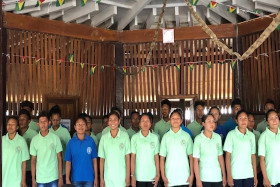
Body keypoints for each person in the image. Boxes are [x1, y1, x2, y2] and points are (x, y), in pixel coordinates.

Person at [160, 109, 194, 187]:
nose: (175, 120)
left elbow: (191, 157)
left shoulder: (186, 136)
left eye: (177, 118)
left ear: (181, 120)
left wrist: (192, 175)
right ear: (170, 121)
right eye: (173, 118)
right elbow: (162, 158)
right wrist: (163, 176)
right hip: (169, 178)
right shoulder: (165, 137)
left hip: (185, 178)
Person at [224, 110, 257, 187]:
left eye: (245, 118)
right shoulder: (231, 134)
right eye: (240, 118)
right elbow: (227, 157)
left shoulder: (251, 135)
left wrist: (255, 176)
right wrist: (229, 175)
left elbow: (253, 156)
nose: (243, 120)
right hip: (235, 175)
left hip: (249, 174)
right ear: (236, 121)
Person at [30, 111, 63, 187]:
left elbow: (59, 158)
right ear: (38, 124)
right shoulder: (34, 140)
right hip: (40, 178)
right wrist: (33, 179)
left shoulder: (55, 138)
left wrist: (60, 177)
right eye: (41, 122)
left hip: (53, 176)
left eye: (45, 121)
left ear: (49, 123)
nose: (43, 124)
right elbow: (33, 160)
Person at [99, 111, 131, 187]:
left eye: (115, 119)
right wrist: (101, 178)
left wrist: (128, 176)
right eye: (110, 120)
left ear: (119, 121)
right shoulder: (104, 138)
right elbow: (102, 159)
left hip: (121, 177)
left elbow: (127, 157)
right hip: (108, 177)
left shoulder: (125, 135)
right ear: (108, 122)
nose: (113, 122)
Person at [193, 114, 226, 187]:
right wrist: (198, 179)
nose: (212, 124)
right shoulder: (198, 139)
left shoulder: (218, 137)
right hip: (204, 177)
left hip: (217, 177)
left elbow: (220, 157)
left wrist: (224, 175)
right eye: (209, 121)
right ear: (203, 123)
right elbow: (195, 161)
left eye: (213, 121)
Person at [65, 117, 98, 187]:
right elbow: (68, 162)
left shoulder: (91, 141)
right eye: (78, 124)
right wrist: (67, 178)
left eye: (83, 124)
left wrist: (96, 178)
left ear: (86, 126)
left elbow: (94, 160)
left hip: (89, 179)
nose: (80, 126)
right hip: (75, 179)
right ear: (75, 127)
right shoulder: (71, 143)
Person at [131, 113, 160, 187]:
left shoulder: (155, 138)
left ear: (150, 124)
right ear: (139, 124)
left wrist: (158, 175)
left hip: (152, 176)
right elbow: (133, 158)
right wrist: (132, 175)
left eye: (147, 121)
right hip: (139, 176)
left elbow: (156, 158)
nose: (145, 123)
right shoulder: (134, 138)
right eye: (143, 121)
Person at [2, 116, 30, 187]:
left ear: (17, 127)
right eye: (8, 124)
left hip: (16, 178)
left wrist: (23, 180)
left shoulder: (21, 141)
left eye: (13, 124)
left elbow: (24, 162)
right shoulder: (2, 140)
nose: (10, 126)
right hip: (4, 176)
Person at [49, 105, 71, 183]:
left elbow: (69, 147)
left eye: (57, 120)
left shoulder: (64, 131)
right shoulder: (48, 131)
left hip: (63, 165)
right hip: (50, 166)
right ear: (50, 119)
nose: (55, 122)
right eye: (54, 120)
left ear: (60, 119)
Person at [258, 109, 280, 187]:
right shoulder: (263, 137)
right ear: (267, 122)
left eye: (276, 117)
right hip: (271, 177)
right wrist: (265, 178)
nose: (274, 120)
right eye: (271, 118)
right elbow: (261, 159)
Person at [18, 109, 38, 186]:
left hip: (30, 169)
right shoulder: (15, 133)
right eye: (19, 119)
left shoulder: (34, 135)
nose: (21, 122)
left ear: (29, 121)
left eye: (24, 119)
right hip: (17, 168)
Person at [247, 113, 262, 187]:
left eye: (253, 121)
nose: (251, 123)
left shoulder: (258, 134)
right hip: (246, 168)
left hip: (257, 167)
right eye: (249, 120)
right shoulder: (241, 135)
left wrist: (259, 167)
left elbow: (260, 152)